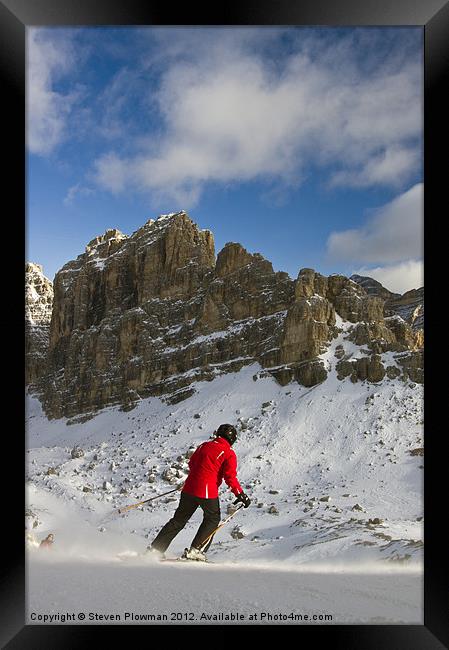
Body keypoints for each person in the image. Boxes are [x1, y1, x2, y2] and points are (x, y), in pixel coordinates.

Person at [148, 423, 251, 561]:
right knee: (212, 518)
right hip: (207, 491)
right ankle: (196, 550)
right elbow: (230, 477)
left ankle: (155, 549)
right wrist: (240, 495)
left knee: (179, 520)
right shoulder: (229, 453)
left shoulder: (204, 445)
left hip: (189, 487)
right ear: (232, 439)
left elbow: (192, 463)